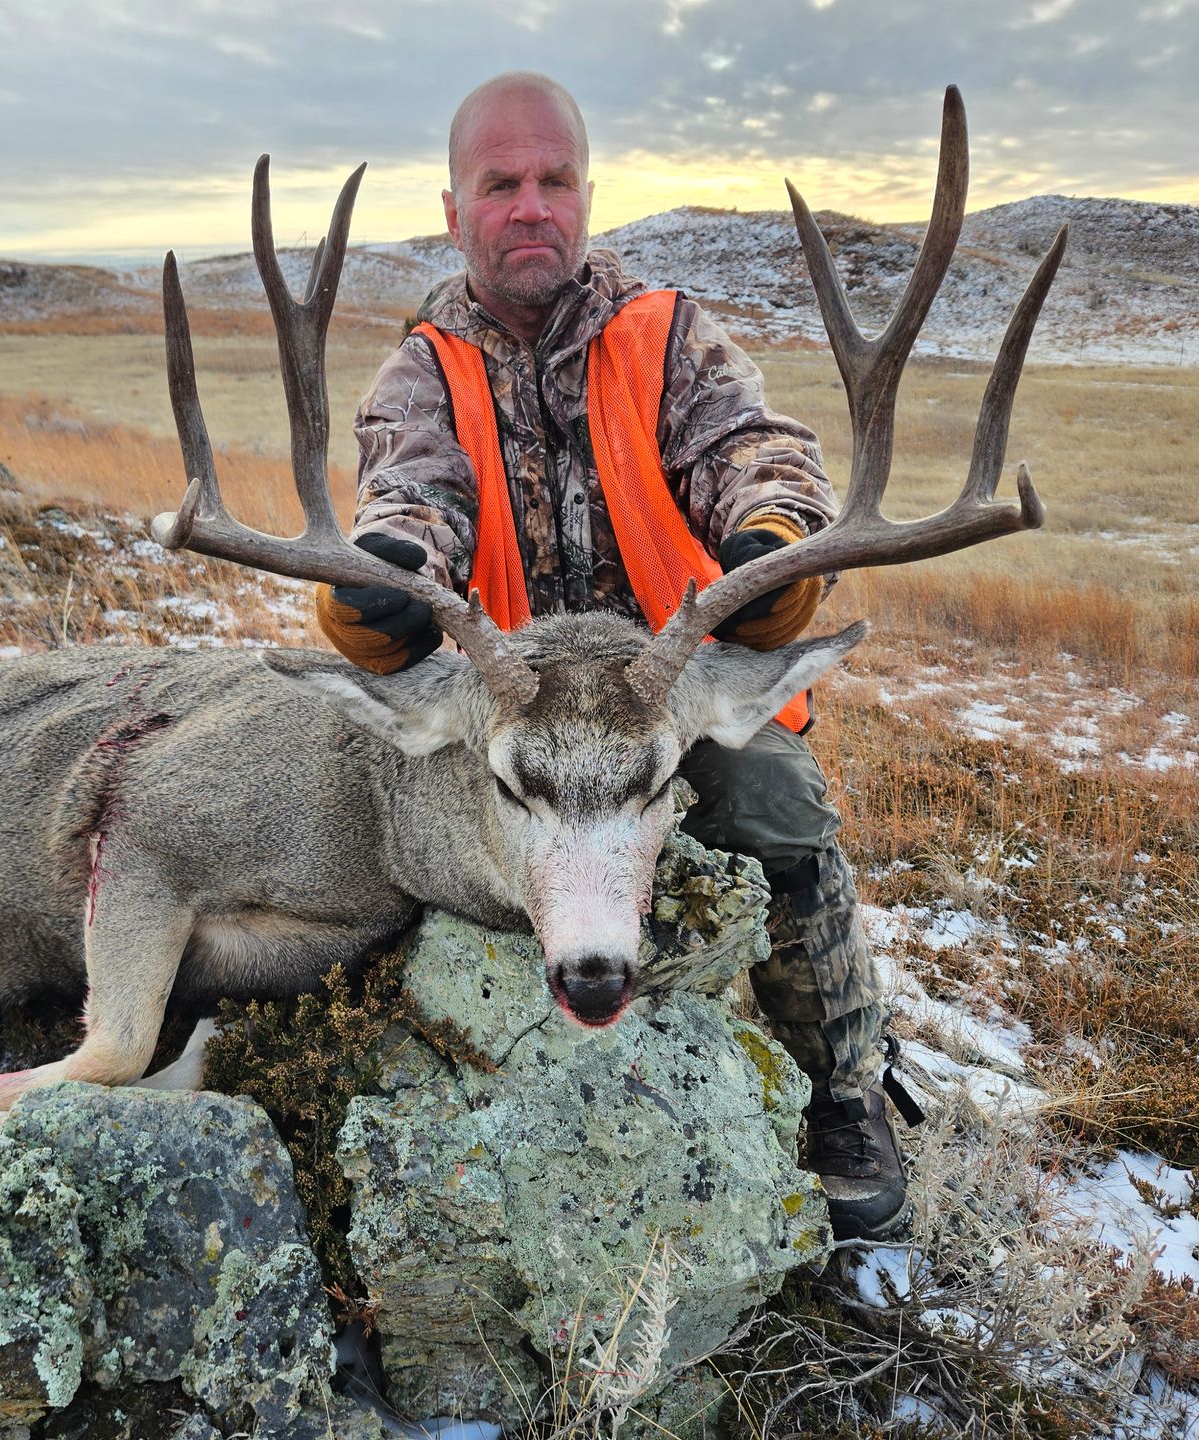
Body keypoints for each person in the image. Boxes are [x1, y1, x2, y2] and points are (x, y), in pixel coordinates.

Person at [312, 71, 921, 1241]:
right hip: (514, 708)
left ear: (587, 196)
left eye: (554, 180)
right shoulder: (425, 370)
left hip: (657, 691)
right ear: (457, 210)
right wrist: (382, 573)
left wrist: (774, 541)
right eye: (502, 185)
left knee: (776, 796)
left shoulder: (666, 333)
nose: (530, 206)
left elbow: (756, 449)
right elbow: (410, 490)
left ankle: (843, 1090)